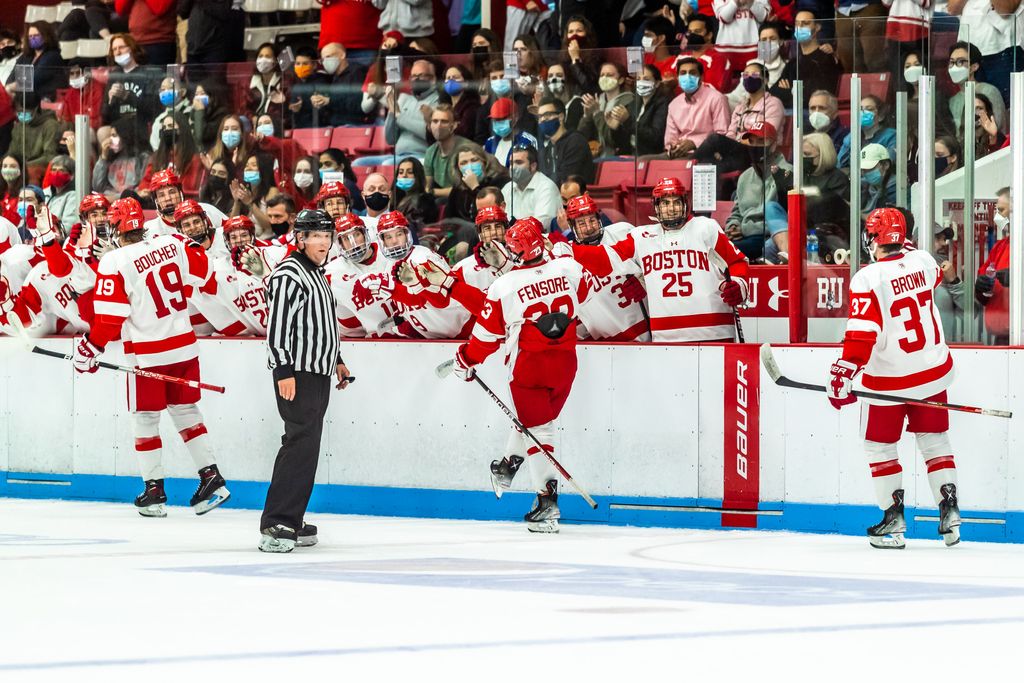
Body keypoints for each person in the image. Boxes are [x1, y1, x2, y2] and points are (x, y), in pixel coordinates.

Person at [78, 197, 232, 517]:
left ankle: (154, 491)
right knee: (186, 412)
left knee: (145, 418)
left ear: (117, 227)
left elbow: (109, 319)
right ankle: (212, 478)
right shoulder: (174, 241)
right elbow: (205, 273)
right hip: (185, 347)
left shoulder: (115, 260)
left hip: (146, 355)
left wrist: (89, 349)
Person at [826, 207, 962, 549]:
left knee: (880, 446)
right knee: (935, 442)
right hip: (932, 373)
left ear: (873, 239)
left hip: (888, 382)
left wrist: (844, 371)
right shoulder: (925, 261)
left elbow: (862, 333)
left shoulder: (868, 278)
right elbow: (932, 275)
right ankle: (950, 512)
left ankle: (894, 521)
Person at [446, 217, 591, 533]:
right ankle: (506, 467)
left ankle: (547, 505)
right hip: (566, 364)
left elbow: (485, 339)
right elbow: (589, 290)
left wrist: (464, 359)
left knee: (542, 432)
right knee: (536, 424)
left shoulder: (504, 285)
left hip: (529, 368)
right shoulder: (568, 267)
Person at [261, 208, 353, 552]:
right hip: (296, 373)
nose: (324, 243)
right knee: (299, 443)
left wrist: (337, 360)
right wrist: (282, 370)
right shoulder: (289, 274)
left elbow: (322, 324)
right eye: (317, 236)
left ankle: (292, 517)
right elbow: (278, 328)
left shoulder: (316, 273)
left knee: (308, 446)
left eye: (328, 236)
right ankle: (276, 522)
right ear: (300, 239)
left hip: (317, 371)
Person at [572, 177, 749, 342]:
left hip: (715, 332)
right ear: (656, 206)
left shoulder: (705, 228)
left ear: (685, 203)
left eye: (675, 202)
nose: (670, 208)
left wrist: (739, 284)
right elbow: (605, 260)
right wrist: (568, 250)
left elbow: (736, 262)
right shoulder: (641, 237)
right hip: (665, 338)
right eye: (664, 203)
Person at [561, 194, 650, 341]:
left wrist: (643, 280)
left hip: (648, 331)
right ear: (572, 226)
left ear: (599, 218)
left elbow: (650, 264)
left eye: (592, 220)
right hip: (608, 344)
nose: (589, 227)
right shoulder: (568, 260)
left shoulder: (622, 232)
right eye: (582, 223)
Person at [695, 60, 784, 173]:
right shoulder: (741, 106)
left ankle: (686, 164)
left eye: (755, 75)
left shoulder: (773, 103)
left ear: (765, 80)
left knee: (714, 139)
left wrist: (735, 142)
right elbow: (731, 133)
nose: (749, 78)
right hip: (738, 154)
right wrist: (724, 150)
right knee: (709, 164)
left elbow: (766, 135)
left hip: (759, 153)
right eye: (745, 75)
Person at [724, 122, 792, 262]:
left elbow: (783, 220)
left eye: (761, 141)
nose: (755, 146)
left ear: (773, 144)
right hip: (746, 236)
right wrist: (733, 226)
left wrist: (745, 229)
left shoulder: (786, 172)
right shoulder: (745, 176)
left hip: (771, 238)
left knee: (726, 253)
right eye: (752, 141)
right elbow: (736, 212)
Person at [664, 56, 730, 159]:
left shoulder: (717, 98)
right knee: (643, 161)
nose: (687, 76)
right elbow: (670, 140)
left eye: (692, 73)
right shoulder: (674, 104)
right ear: (677, 78)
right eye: (683, 73)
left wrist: (695, 143)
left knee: (678, 165)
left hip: (707, 152)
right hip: (678, 154)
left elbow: (722, 135)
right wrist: (673, 149)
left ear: (701, 77)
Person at [774, 10, 843, 108]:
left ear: (817, 27)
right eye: (797, 24)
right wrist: (796, 93)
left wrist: (789, 91)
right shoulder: (793, 62)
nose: (800, 27)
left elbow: (814, 97)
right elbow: (773, 91)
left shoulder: (825, 59)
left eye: (805, 23)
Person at [947, 41, 1007, 136]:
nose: (954, 67)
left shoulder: (989, 91)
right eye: (951, 62)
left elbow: (999, 129)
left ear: (974, 67)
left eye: (960, 62)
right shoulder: (953, 101)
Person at [975, 186, 1011, 344]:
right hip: (1001, 337)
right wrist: (981, 288)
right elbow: (985, 281)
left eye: (1002, 210)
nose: (998, 216)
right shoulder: (1000, 246)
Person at [384, 58, 439, 157]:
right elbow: (390, 139)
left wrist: (399, 115)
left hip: (422, 156)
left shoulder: (437, 100)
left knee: (386, 164)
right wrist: (391, 113)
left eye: (421, 75)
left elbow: (427, 132)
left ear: (433, 79)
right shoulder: (404, 99)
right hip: (398, 156)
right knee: (359, 162)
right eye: (413, 76)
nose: (416, 79)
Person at [578, 61, 635, 158]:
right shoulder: (597, 100)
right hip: (595, 156)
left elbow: (611, 139)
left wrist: (596, 113)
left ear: (621, 80)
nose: (604, 78)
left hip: (618, 157)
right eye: (602, 75)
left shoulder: (628, 102)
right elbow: (580, 136)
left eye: (610, 75)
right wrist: (586, 116)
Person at [445, 142, 510, 223]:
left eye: (474, 160)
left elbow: (490, 217)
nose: (470, 166)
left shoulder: (500, 181)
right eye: (463, 163)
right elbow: (448, 218)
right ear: (458, 168)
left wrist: (475, 187)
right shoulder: (458, 187)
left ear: (484, 162)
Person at [537, 97, 595, 186]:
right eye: (540, 117)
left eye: (547, 115)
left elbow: (567, 180)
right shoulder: (547, 150)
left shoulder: (575, 142)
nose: (542, 120)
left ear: (561, 117)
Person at [501, 146, 561, 228]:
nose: (513, 167)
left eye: (519, 162)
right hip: (511, 238)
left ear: (533, 166)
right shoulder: (507, 188)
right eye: (511, 163)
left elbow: (541, 225)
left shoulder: (546, 187)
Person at [4, 21, 64, 102]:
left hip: (44, 104)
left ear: (46, 36)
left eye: (36, 35)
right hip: (23, 102)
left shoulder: (53, 56)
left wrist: (11, 88)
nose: (33, 38)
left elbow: (34, 79)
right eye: (30, 36)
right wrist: (9, 88)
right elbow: (11, 78)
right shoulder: (25, 56)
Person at [424, 104, 471, 201]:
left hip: (465, 199)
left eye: (444, 121)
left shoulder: (466, 149)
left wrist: (433, 192)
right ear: (429, 126)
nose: (439, 126)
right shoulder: (430, 151)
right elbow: (427, 187)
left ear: (454, 125)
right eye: (435, 121)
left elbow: (466, 188)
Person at [317, 42, 370, 126]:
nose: (325, 62)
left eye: (328, 57)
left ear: (342, 55)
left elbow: (357, 105)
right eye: (322, 60)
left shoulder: (357, 72)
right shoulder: (335, 77)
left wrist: (329, 101)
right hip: (336, 126)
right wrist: (321, 103)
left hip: (354, 126)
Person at [838, 95, 897, 169]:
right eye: (860, 109)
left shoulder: (892, 136)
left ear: (880, 116)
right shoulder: (852, 137)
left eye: (869, 109)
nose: (863, 113)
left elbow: (887, 166)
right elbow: (839, 165)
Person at [712, 0, 770, 72]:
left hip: (756, 48)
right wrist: (735, 2)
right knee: (727, 80)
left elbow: (764, 17)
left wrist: (750, 2)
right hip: (727, 50)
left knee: (758, 78)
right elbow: (724, 18)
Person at [483, 97, 539, 168]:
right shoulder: (490, 142)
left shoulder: (528, 141)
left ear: (515, 118)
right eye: (495, 120)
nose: (498, 123)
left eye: (502, 119)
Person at [633, 65, 671, 158]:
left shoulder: (663, 104)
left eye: (646, 79)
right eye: (638, 79)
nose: (641, 82)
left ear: (657, 83)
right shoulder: (635, 102)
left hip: (650, 156)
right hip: (631, 154)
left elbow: (655, 137)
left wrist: (629, 122)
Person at [246, 43, 285, 120]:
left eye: (267, 56)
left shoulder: (284, 81)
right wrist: (252, 118)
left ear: (276, 61)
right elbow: (244, 108)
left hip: (274, 123)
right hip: (255, 123)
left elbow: (286, 111)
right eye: (260, 56)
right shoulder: (250, 81)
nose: (263, 59)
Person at [860, 143, 898, 219]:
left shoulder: (896, 190)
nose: (865, 173)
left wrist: (858, 215)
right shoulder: (867, 186)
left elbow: (886, 222)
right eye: (863, 169)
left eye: (870, 168)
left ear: (886, 165)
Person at [807, 90, 850, 155]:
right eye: (812, 108)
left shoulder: (845, 137)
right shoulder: (802, 135)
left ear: (835, 113)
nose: (816, 112)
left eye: (822, 108)